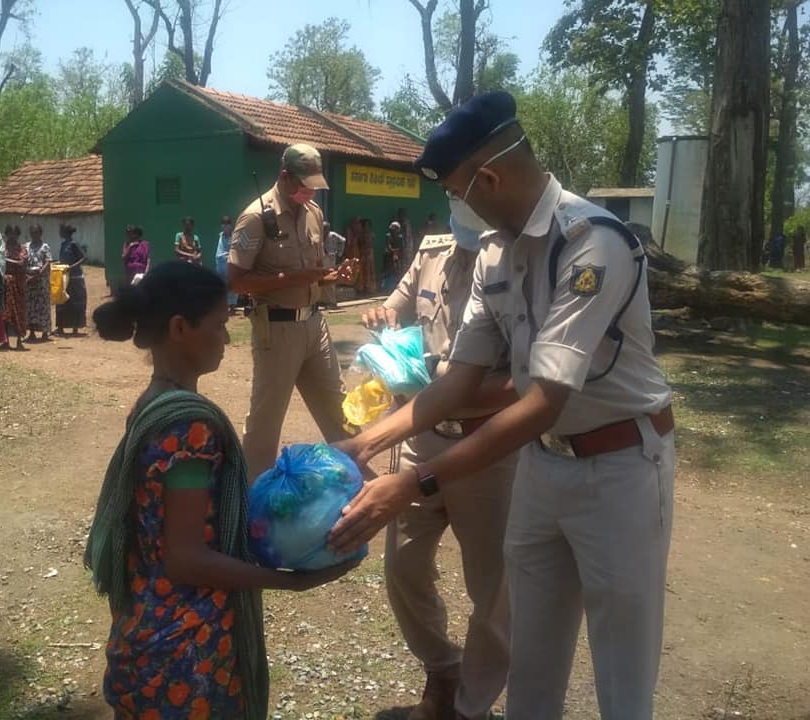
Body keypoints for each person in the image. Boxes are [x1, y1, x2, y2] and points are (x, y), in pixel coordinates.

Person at [329, 91, 675, 720]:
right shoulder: (496, 253)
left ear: (487, 177)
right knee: (533, 658)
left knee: (621, 662)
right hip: (543, 468)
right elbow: (457, 384)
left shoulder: (594, 245)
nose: (458, 207)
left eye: (460, 192)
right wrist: (365, 444)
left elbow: (542, 399)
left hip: (620, 465)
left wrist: (414, 480)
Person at [84, 261, 360, 719]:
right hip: (186, 652)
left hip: (144, 627)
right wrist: (289, 582)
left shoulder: (150, 405)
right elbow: (186, 557)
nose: (227, 340)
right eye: (219, 325)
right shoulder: (189, 427)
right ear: (179, 328)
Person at [362, 216, 519, 720]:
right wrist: (382, 314)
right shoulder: (434, 252)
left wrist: (443, 400)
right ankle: (443, 669)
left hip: (490, 448)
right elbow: (398, 301)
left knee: (491, 589)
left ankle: (471, 705)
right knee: (402, 566)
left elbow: (527, 384)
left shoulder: (521, 262)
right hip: (424, 439)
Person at [228, 143, 353, 481]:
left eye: (314, 184)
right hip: (277, 330)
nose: (310, 190)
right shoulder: (255, 216)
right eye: (304, 184)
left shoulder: (314, 213)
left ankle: (357, 484)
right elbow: (236, 282)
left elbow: (314, 269)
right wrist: (289, 279)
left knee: (339, 412)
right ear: (285, 177)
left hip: (315, 325)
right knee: (265, 425)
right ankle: (253, 501)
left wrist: (331, 277)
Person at [54, 223, 87, 335]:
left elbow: (84, 257)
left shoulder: (74, 244)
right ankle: (60, 327)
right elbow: (63, 260)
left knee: (75, 302)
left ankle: (75, 327)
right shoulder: (63, 244)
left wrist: (72, 266)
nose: (59, 233)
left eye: (60, 231)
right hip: (64, 276)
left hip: (75, 277)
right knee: (62, 300)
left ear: (65, 232)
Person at [24, 224, 52, 342]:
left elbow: (48, 261)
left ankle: (45, 332)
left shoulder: (45, 247)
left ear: (40, 233)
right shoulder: (26, 246)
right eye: (32, 233)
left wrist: (40, 272)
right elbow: (24, 260)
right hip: (30, 280)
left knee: (43, 306)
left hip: (41, 281)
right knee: (30, 307)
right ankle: (32, 332)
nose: (34, 235)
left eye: (36, 233)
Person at [2, 225, 28, 351]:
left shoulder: (22, 248)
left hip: (18, 284)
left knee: (19, 312)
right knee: (6, 313)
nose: (12, 236)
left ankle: (19, 340)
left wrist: (7, 260)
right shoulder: (2, 248)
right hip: (5, 284)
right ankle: (5, 340)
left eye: (15, 234)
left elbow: (22, 263)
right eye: (10, 234)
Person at [215, 216, 238, 311]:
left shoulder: (234, 236)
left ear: (231, 226)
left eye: (227, 225)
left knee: (233, 284)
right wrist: (225, 255)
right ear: (222, 226)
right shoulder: (221, 237)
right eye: (224, 225)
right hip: (222, 266)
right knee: (223, 285)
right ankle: (224, 305)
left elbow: (236, 249)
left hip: (231, 264)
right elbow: (219, 254)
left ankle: (232, 305)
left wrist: (230, 255)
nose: (226, 227)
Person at [382, 221, 405, 292]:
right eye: (393, 229)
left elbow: (402, 247)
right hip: (389, 255)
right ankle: (387, 287)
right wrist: (394, 251)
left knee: (397, 271)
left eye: (396, 229)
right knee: (388, 270)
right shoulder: (388, 235)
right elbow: (388, 246)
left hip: (397, 256)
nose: (394, 230)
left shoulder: (400, 237)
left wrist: (398, 253)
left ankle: (396, 286)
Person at [359, 218, 378, 295]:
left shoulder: (371, 234)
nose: (366, 227)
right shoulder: (361, 234)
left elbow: (371, 244)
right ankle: (364, 288)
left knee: (370, 270)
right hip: (363, 253)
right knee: (364, 270)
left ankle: (371, 288)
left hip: (370, 253)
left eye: (368, 225)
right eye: (365, 225)